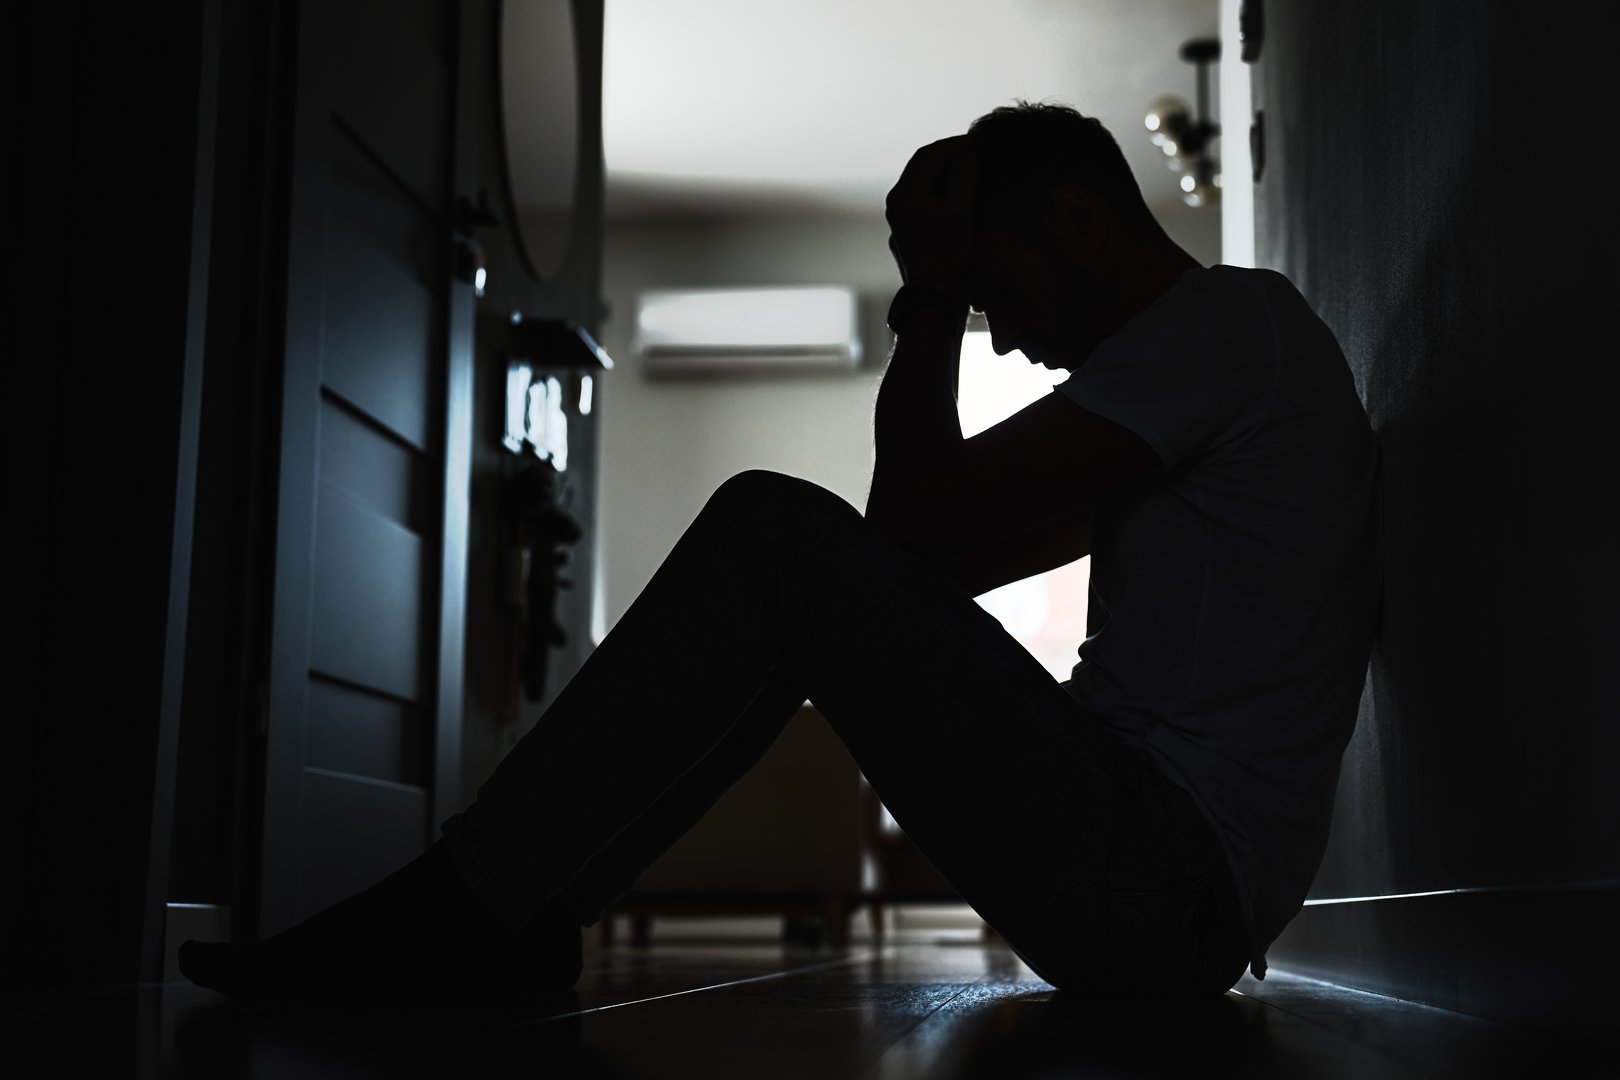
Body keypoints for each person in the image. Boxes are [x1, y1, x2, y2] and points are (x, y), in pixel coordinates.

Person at [179, 102, 1380, 1006]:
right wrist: (948, 289)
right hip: (1151, 882)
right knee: (779, 548)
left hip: (1161, 876)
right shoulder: (1191, 388)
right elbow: (914, 566)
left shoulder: (1230, 325)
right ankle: (501, 915)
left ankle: (471, 912)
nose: (1004, 338)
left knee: (768, 528)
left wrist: (925, 301)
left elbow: (901, 533)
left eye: (993, 289)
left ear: (1076, 221)